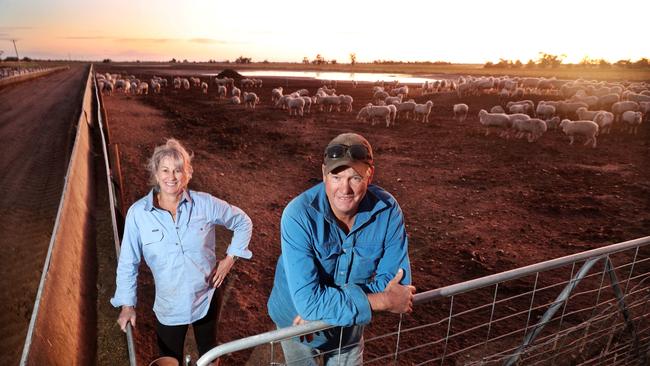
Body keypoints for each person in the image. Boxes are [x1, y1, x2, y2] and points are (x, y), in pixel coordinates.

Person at [267, 132, 416, 365]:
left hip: (347, 330)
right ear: (324, 174)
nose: (344, 189)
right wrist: (382, 301)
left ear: (370, 175)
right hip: (296, 324)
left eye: (355, 178)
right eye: (336, 177)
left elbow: (395, 283)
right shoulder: (298, 215)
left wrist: (321, 308)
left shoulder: (387, 211)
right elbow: (307, 301)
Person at [110, 138, 253, 364]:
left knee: (209, 352)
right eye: (165, 170)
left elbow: (243, 221)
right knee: (168, 359)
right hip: (169, 303)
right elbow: (128, 261)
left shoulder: (204, 204)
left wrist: (229, 259)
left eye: (178, 170)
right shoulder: (138, 214)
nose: (172, 176)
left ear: (187, 174)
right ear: (156, 174)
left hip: (206, 295)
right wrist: (127, 305)